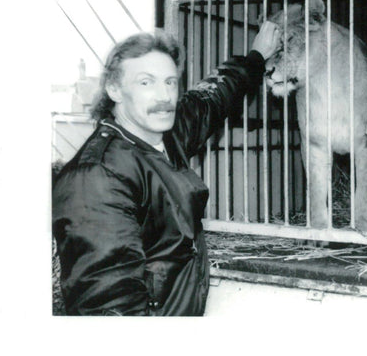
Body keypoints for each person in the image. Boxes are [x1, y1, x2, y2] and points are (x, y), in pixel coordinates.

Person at [52, 23, 282, 316]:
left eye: (170, 82)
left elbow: (213, 98)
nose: (164, 96)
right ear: (114, 89)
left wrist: (256, 58)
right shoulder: (96, 178)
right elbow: (109, 309)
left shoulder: (161, 136)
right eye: (146, 83)